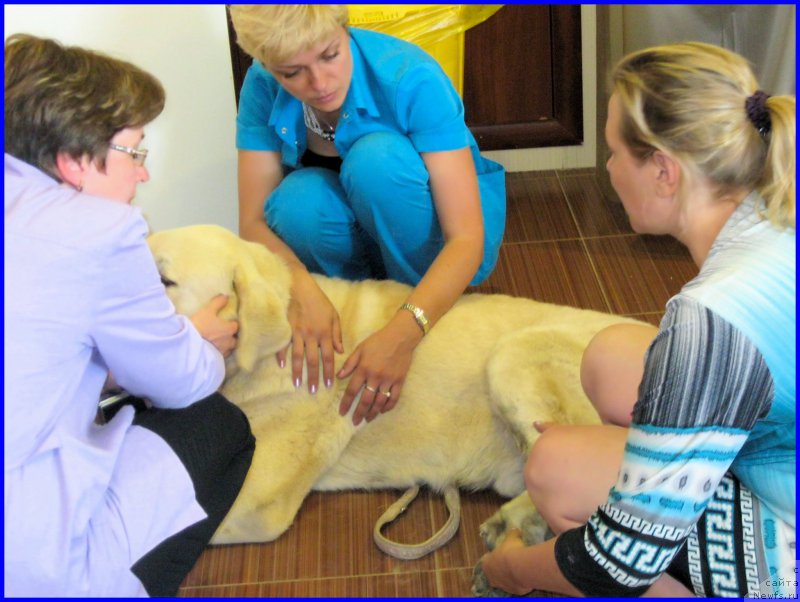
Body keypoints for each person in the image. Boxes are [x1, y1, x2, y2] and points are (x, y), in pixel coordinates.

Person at [481, 42, 795, 597]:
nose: (606, 169)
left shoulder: (711, 321)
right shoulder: (776, 214)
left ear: (664, 172)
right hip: (780, 453)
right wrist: (652, 446)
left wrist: (511, 570)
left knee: (555, 467)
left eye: (614, 152)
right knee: (611, 356)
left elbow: (615, 562)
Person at [4, 34, 255, 597]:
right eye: (135, 152)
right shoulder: (99, 232)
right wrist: (195, 339)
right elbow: (183, 381)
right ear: (71, 162)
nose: (142, 175)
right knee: (219, 424)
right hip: (28, 559)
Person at [228, 5, 506, 425]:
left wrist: (401, 337)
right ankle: (359, 315)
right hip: (352, 235)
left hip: (443, 240)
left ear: (345, 28)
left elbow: (465, 239)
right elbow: (252, 222)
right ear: (268, 66)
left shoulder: (411, 75)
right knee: (294, 203)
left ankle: (415, 316)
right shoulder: (261, 85)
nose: (319, 84)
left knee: (377, 161)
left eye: (329, 55)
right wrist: (303, 292)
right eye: (292, 72)